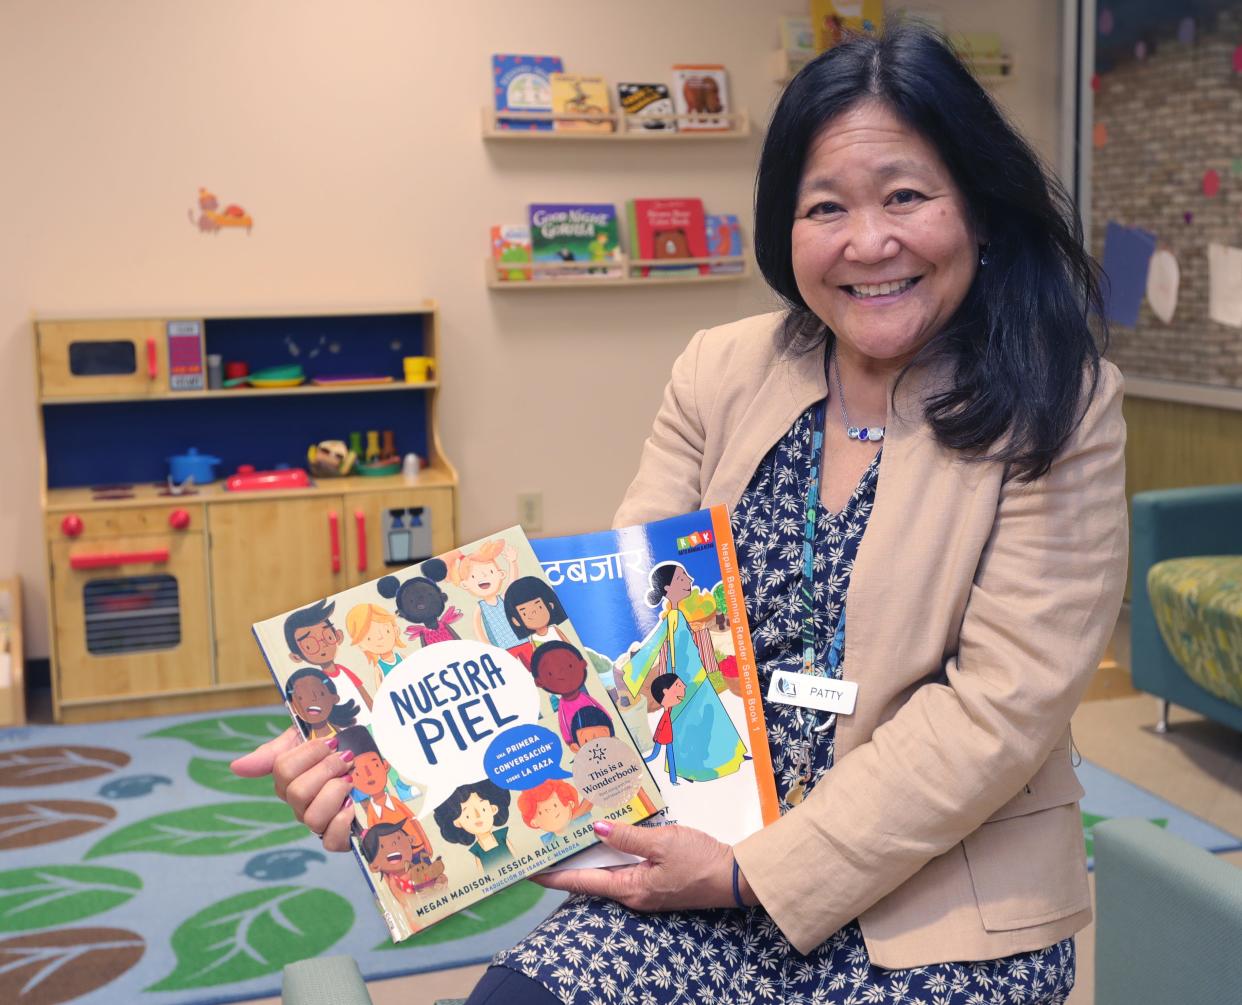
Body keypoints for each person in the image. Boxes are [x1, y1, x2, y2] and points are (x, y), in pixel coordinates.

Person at [230, 24, 1126, 1004]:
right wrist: (372, 756)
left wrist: (755, 873)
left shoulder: (1061, 399)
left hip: (936, 900)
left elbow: (999, 710)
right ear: (785, 229)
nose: (870, 243)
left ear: (981, 209)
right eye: (826, 206)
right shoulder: (721, 371)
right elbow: (602, 636)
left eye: (907, 195)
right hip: (694, 857)